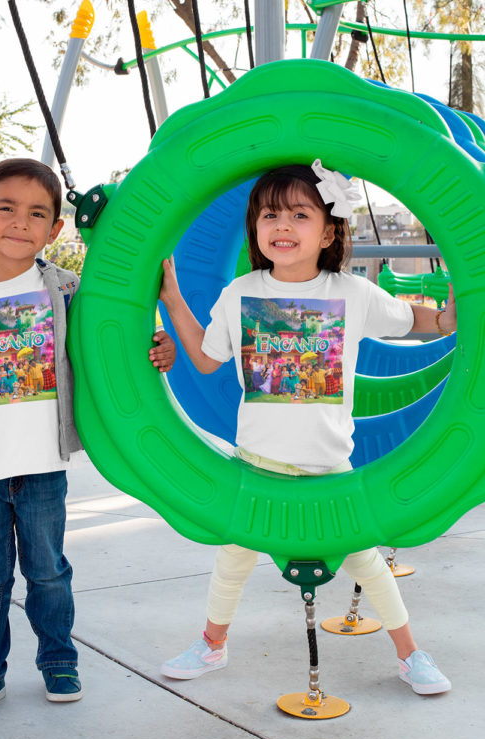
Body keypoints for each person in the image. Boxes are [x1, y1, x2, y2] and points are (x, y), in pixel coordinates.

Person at [157, 160, 455, 695]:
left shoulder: (351, 294)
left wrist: (451, 314)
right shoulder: (241, 293)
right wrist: (172, 299)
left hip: (328, 466)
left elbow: (415, 321)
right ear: (254, 229)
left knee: (366, 562)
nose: (283, 226)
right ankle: (212, 644)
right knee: (232, 561)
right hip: (257, 464)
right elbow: (205, 358)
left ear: (330, 230)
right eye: (270, 214)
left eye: (300, 213)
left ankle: (411, 654)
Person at [0, 157, 176, 716]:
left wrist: (159, 347)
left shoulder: (66, 291)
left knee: (49, 573)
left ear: (55, 229)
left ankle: (59, 660)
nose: (20, 222)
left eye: (37, 213)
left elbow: (112, 340)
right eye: (5, 208)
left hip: (41, 469)